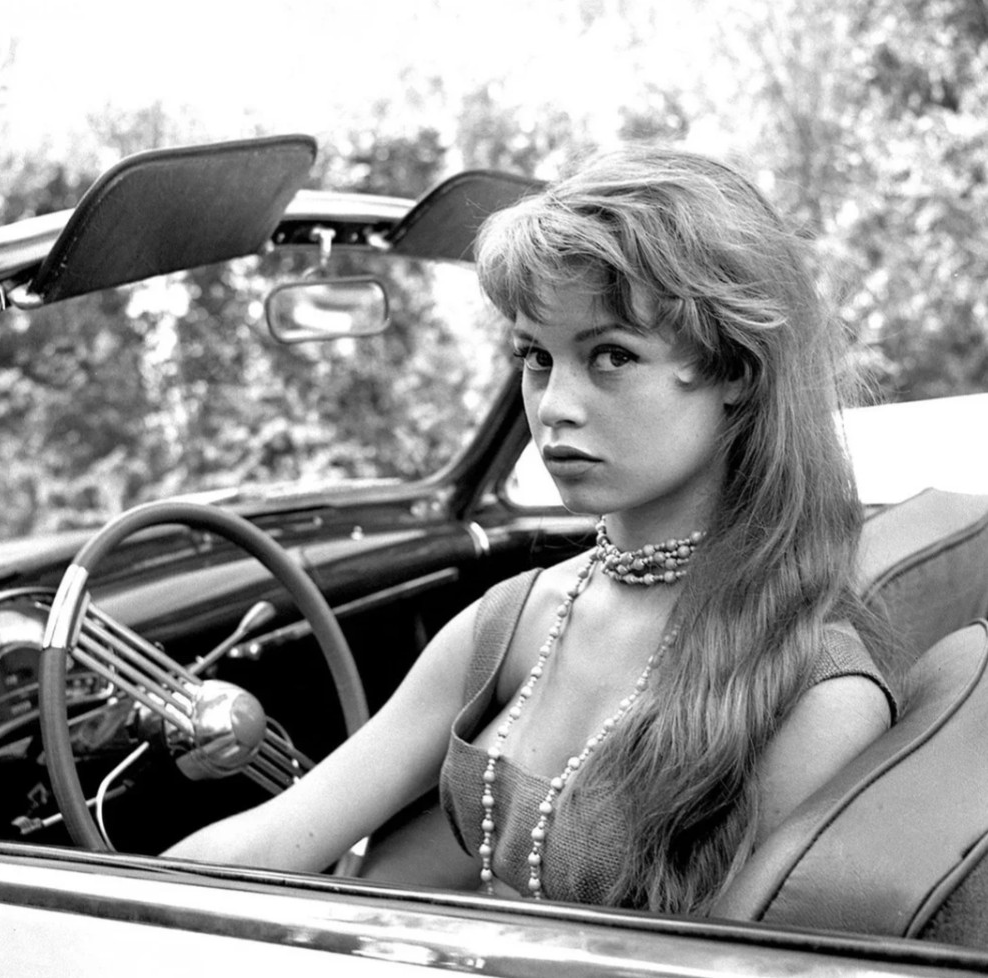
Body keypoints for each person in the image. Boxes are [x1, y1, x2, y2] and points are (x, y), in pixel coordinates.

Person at [164, 145, 896, 915]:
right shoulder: (511, 621)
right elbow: (279, 837)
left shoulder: (813, 692)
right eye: (535, 356)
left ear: (737, 371)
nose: (553, 408)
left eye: (611, 355)